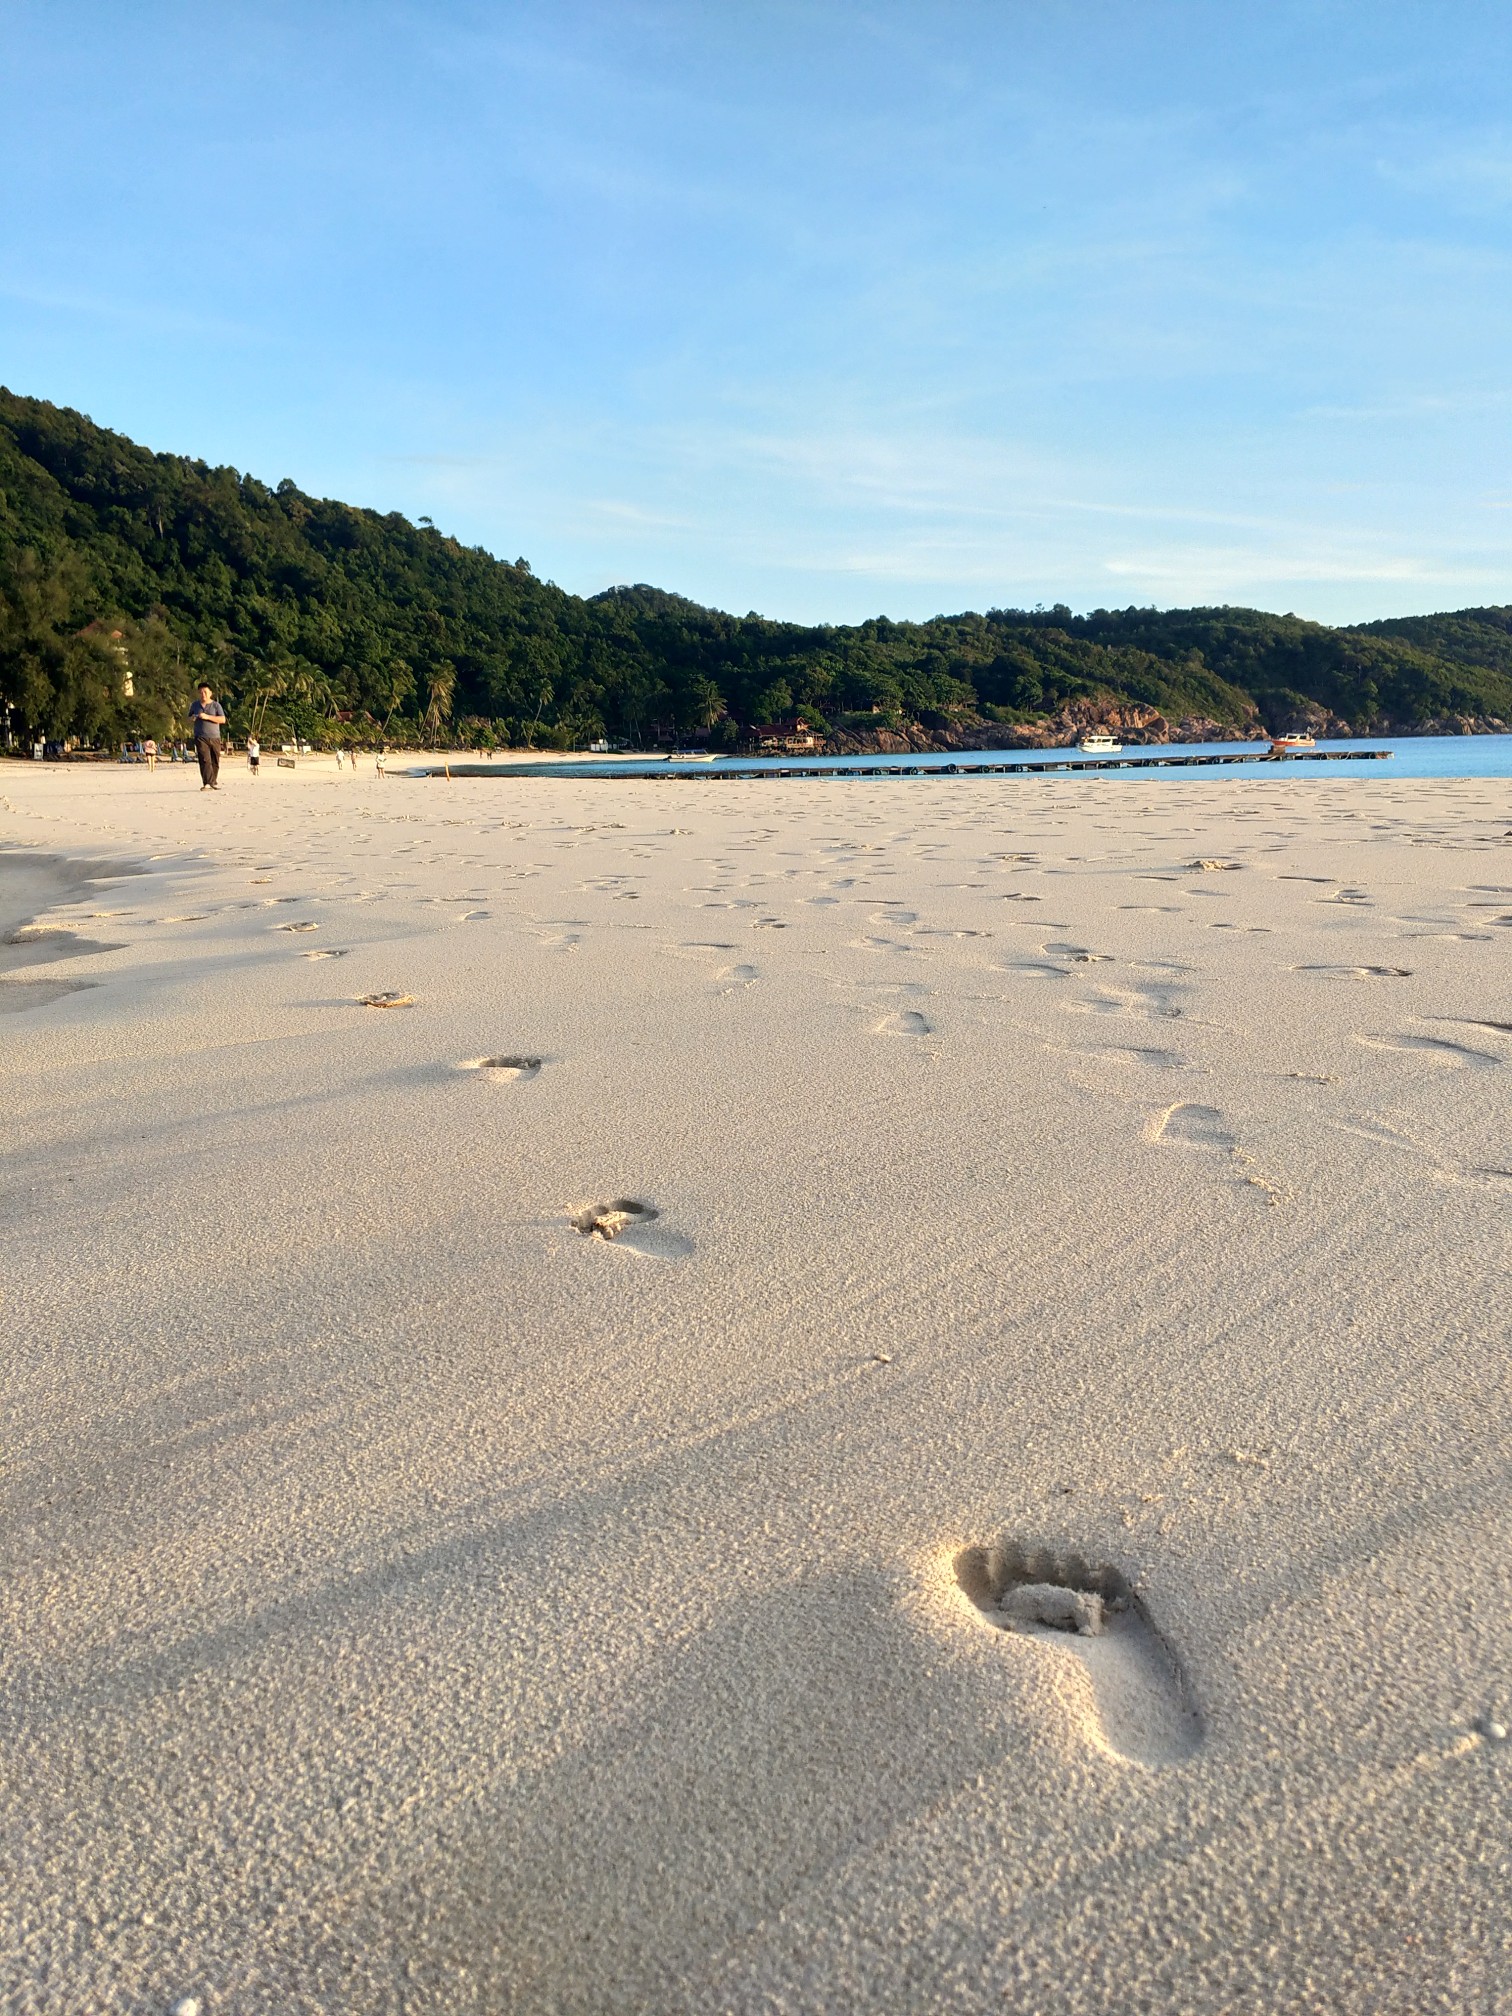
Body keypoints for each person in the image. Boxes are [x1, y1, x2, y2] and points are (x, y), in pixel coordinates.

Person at [188, 683, 227, 790]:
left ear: (210, 693)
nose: (203, 694)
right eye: (201, 692)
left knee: (215, 760)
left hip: (215, 737)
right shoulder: (195, 705)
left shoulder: (216, 705)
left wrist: (207, 717)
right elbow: (189, 718)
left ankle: (213, 781)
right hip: (200, 737)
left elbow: (222, 720)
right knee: (205, 760)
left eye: (205, 692)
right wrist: (193, 718)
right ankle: (207, 783)